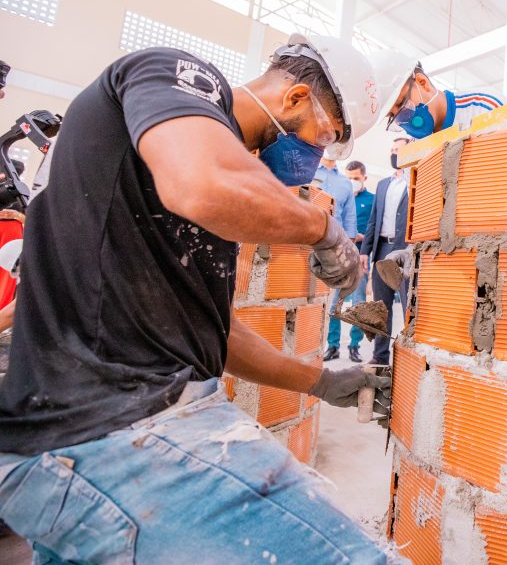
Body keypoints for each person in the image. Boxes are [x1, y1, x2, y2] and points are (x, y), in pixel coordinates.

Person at [0, 34, 392, 563]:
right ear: (295, 98)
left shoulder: (161, 177)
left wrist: (319, 381)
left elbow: (213, 330)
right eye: (326, 137)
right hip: (119, 428)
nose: (317, 158)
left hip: (68, 449)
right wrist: (323, 229)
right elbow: (201, 184)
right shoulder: (176, 72)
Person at [369, 50, 504, 139]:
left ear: (423, 83)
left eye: (402, 103)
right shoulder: (416, 147)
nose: (403, 118)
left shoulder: (484, 108)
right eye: (392, 116)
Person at [359, 138, 410, 365]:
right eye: (391, 150)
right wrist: (364, 251)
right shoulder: (382, 185)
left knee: (409, 304)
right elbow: (373, 221)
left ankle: (409, 355)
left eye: (397, 150)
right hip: (381, 249)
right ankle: (380, 357)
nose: (393, 154)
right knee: (382, 306)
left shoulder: (416, 180)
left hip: (405, 250)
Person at [327, 159, 374, 362]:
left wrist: (360, 239)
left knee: (358, 303)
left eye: (356, 178)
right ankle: (332, 345)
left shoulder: (372, 200)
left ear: (364, 177)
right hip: (339, 256)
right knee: (335, 303)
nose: (352, 182)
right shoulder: (341, 196)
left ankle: (354, 346)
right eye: (349, 178)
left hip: (360, 256)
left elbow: (372, 230)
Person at [313, 154, 356, 363]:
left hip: (334, 250)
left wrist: (351, 252)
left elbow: (349, 218)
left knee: (332, 303)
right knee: (311, 302)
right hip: (307, 244)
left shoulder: (345, 183)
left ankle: (330, 346)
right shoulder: (310, 171)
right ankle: (313, 345)